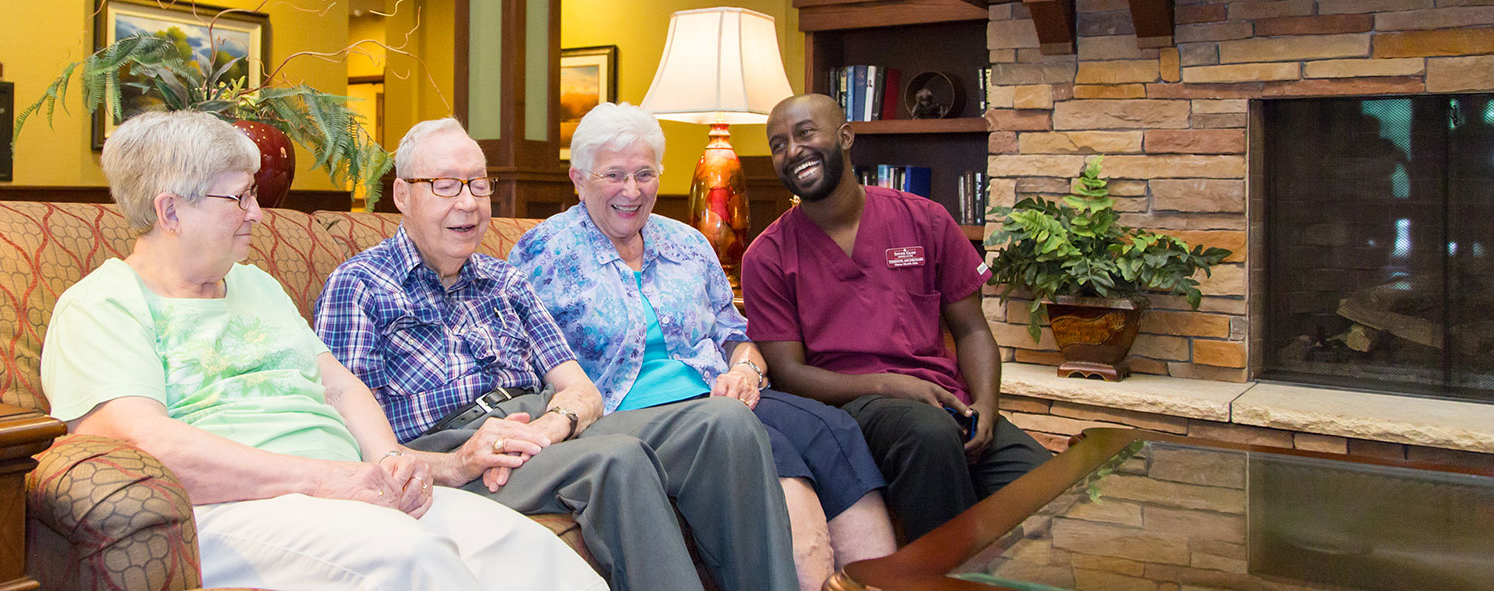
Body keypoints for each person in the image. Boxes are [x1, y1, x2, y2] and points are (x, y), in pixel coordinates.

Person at [40, 110, 606, 591]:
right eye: (239, 197)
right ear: (170, 212)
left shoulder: (255, 284)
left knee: (532, 555)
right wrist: (325, 480)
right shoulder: (101, 305)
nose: (256, 213)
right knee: (410, 558)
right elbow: (144, 442)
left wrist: (389, 460)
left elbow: (337, 385)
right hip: (233, 512)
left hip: (344, 493)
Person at [314, 117, 801, 591]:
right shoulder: (360, 286)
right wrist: (459, 460)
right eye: (445, 185)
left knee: (724, 422)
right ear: (402, 194)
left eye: (478, 185)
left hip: (534, 426)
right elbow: (351, 438)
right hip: (448, 443)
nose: (467, 203)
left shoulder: (504, 281)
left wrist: (552, 425)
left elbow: (581, 389)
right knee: (616, 459)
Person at [509, 102, 897, 591]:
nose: (632, 191)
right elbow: (522, 357)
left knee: (832, 430)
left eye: (645, 174)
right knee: (771, 450)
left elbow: (735, 332)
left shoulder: (687, 243)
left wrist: (746, 371)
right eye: (614, 175)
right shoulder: (543, 253)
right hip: (627, 415)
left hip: (717, 392)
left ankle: (886, 583)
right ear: (579, 179)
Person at [745, 93, 1051, 544]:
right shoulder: (767, 256)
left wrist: (987, 407)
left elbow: (972, 330)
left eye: (805, 133)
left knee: (1051, 487)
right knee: (929, 436)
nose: (792, 151)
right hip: (849, 406)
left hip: (945, 400)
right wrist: (889, 385)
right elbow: (790, 375)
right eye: (778, 145)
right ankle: (943, 574)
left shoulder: (926, 220)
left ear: (845, 136)